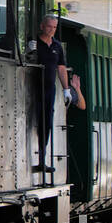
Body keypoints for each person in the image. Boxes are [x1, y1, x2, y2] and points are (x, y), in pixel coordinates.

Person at [30, 14, 70, 150]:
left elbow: (61, 68)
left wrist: (66, 89)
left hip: (49, 87)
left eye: (54, 27)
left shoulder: (57, 46)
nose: (51, 30)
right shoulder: (34, 43)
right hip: (34, 85)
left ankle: (43, 150)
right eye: (49, 27)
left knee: (48, 117)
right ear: (42, 26)